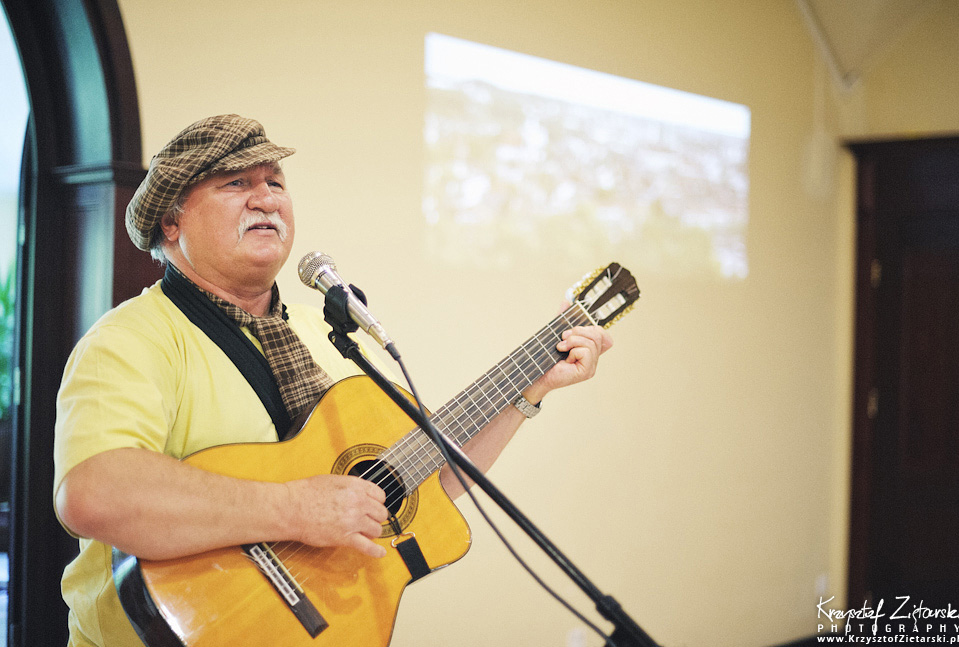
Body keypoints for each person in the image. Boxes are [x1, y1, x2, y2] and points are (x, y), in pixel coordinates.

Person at [53, 114, 612, 647]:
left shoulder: (326, 336)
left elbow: (426, 482)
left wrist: (529, 388)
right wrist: (295, 510)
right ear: (171, 222)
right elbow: (94, 495)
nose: (266, 198)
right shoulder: (130, 340)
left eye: (275, 181)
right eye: (236, 182)